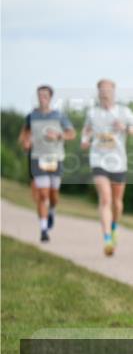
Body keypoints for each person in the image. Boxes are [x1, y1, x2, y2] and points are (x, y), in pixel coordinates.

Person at [80, 79, 133, 256]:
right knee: (105, 199)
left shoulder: (123, 112)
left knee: (117, 203)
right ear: (98, 93)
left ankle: (115, 226)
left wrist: (125, 128)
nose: (105, 93)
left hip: (118, 162)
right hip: (98, 160)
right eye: (101, 90)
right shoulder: (92, 113)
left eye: (108, 90)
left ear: (114, 92)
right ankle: (107, 238)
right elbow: (86, 130)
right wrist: (84, 140)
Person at [18, 85, 76, 242]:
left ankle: (52, 210)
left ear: (50, 98)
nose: (42, 98)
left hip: (56, 158)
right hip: (38, 158)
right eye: (40, 95)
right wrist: (26, 143)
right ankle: (43, 230)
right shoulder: (32, 116)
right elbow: (24, 134)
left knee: (53, 195)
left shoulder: (59, 116)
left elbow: (71, 134)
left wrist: (58, 135)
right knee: (42, 194)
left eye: (45, 95)